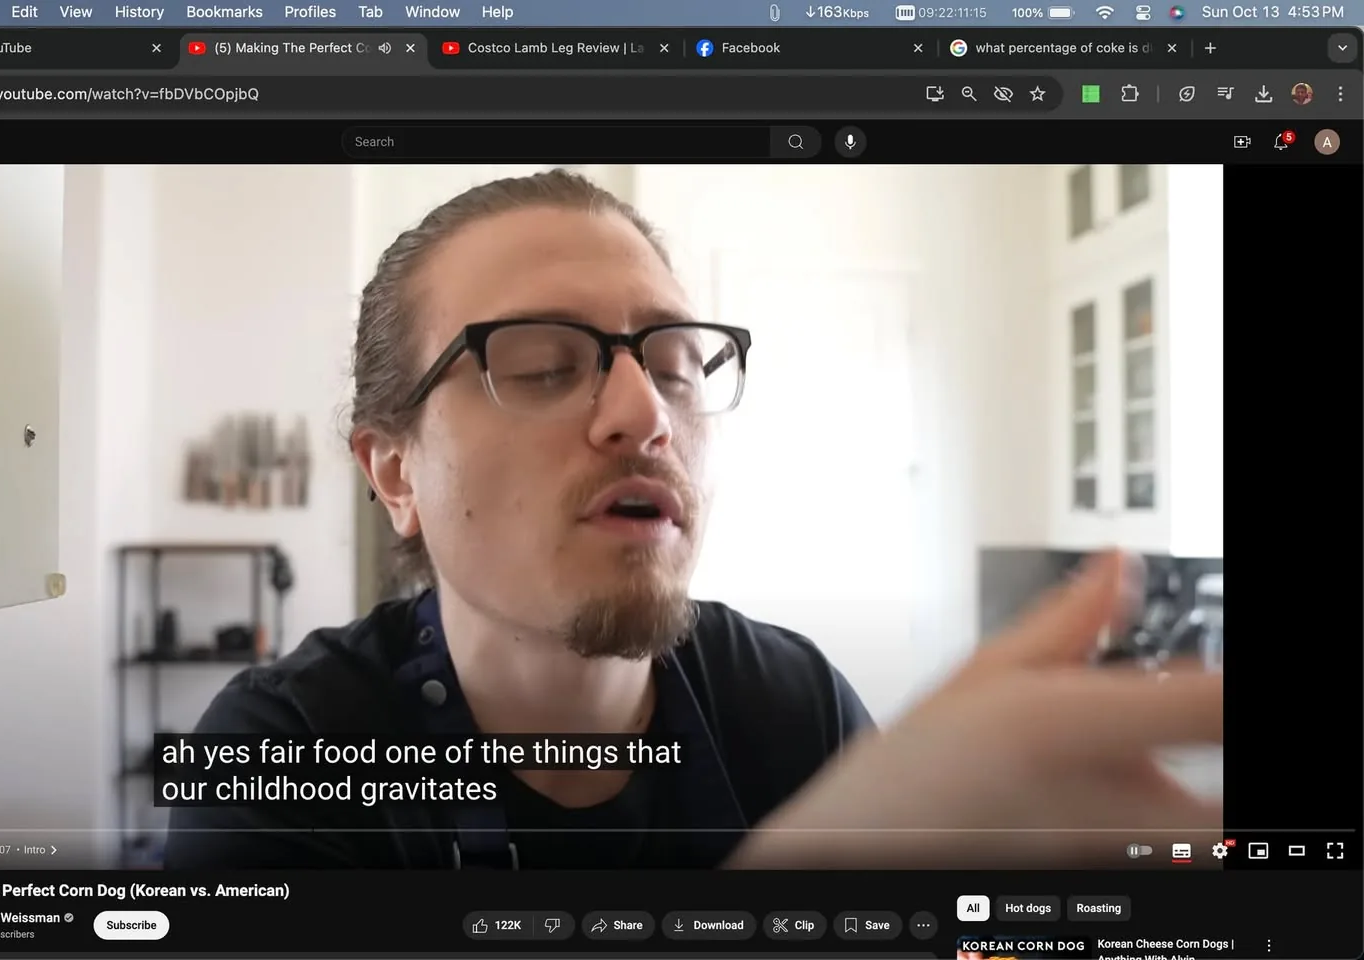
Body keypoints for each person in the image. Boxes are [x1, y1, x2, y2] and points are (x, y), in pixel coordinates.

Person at [166, 170, 1222, 870]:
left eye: (674, 365)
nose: (644, 416)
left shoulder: (794, 703)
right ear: (393, 472)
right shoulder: (283, 755)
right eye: (543, 365)